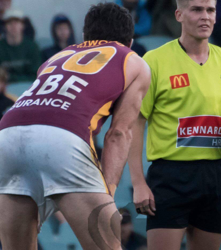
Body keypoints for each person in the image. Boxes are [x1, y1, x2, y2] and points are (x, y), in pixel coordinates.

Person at [0, 3, 151, 250]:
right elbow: (119, 134)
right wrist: (107, 196)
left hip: (7, 133)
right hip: (62, 137)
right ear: (130, 42)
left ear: (83, 38)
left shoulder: (54, 57)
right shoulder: (133, 60)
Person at [128, 0, 221, 249]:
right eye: (197, 9)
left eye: (210, 10)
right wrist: (138, 182)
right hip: (170, 175)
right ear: (179, 15)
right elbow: (135, 123)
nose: (205, 17)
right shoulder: (155, 60)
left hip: (214, 175)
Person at [0, 9, 41, 83]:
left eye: (16, 22)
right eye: (9, 23)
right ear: (5, 26)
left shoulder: (32, 47)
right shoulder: (1, 47)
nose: (13, 26)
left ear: (22, 25)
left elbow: (37, 76)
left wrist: (11, 77)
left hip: (30, 88)